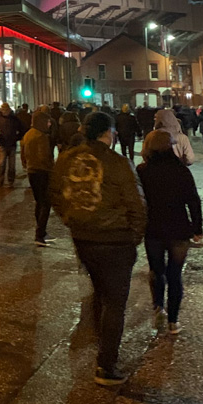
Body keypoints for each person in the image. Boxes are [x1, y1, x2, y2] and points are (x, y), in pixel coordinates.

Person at [51, 111, 147, 386]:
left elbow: (55, 193)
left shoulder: (67, 159)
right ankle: (106, 365)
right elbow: (136, 204)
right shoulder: (118, 163)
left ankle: (100, 341)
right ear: (108, 133)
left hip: (84, 238)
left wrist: (71, 219)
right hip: (115, 240)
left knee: (99, 293)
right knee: (115, 302)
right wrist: (134, 236)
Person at [138, 130, 203, 335]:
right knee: (175, 274)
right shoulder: (181, 170)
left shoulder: (143, 171)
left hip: (154, 228)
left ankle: (158, 305)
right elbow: (193, 200)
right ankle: (173, 321)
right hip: (179, 228)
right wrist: (197, 227)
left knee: (157, 271)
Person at [22, 108, 56, 246]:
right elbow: (45, 157)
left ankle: (41, 232)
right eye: (47, 122)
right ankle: (39, 234)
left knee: (39, 202)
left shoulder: (28, 134)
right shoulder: (41, 136)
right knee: (45, 203)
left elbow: (23, 155)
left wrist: (27, 165)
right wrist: (52, 169)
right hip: (42, 172)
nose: (49, 124)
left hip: (32, 171)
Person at [0, 103, 25, 187]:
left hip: (12, 144)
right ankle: (0, 181)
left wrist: (17, 137)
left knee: (11, 165)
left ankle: (10, 180)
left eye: (6, 109)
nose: (5, 111)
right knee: (2, 164)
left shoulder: (14, 119)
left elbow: (22, 129)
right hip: (3, 144)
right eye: (3, 109)